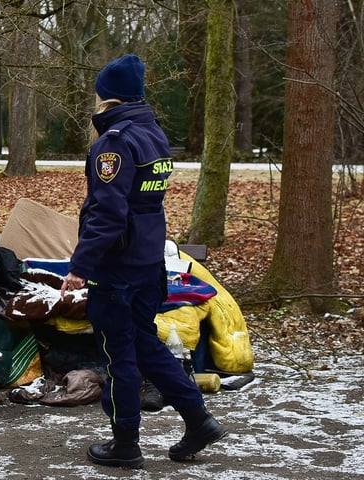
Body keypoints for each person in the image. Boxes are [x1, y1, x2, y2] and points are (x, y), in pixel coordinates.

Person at [60, 54, 226, 469]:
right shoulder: (153, 134)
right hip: (148, 261)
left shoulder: (115, 142)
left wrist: (80, 266)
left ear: (106, 96)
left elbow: (108, 214)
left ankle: (125, 443)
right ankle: (198, 417)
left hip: (117, 269)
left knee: (119, 355)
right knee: (144, 343)